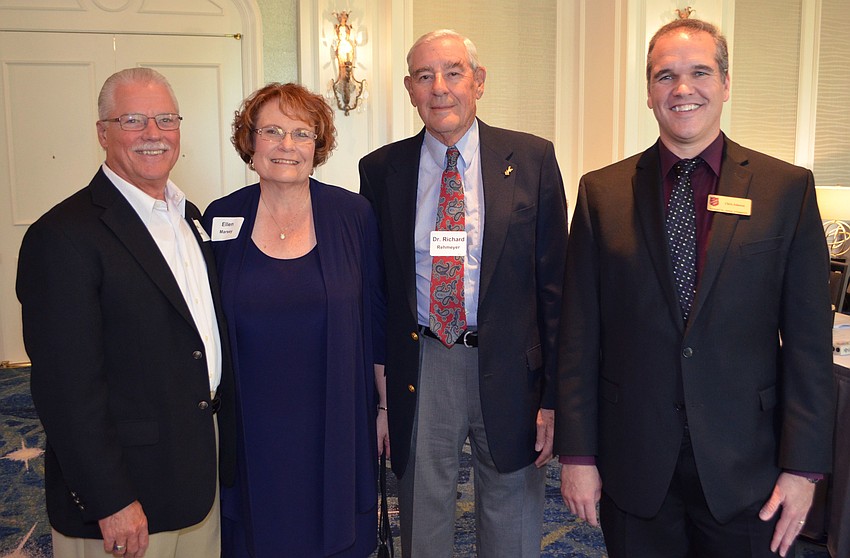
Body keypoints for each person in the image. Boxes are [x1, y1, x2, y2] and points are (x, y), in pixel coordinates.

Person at [556, 18, 834, 558]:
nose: (683, 89)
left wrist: (803, 469)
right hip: (634, 462)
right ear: (649, 92)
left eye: (700, 73)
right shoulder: (601, 194)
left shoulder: (786, 190)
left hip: (748, 471)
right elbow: (578, 339)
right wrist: (578, 455)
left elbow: (808, 345)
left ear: (726, 84)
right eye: (666, 76)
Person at [359, 29, 569, 557]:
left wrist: (553, 397)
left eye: (453, 72)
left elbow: (555, 288)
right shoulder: (381, 170)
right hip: (423, 360)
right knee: (422, 515)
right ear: (409, 88)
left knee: (512, 514)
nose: (439, 87)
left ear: (479, 81)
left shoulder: (533, 159)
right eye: (424, 76)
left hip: (512, 365)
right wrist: (380, 398)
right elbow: (377, 292)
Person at [16, 67, 235, 558]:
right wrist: (110, 499)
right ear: (102, 133)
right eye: (133, 120)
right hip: (124, 498)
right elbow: (65, 389)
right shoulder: (62, 236)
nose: (154, 133)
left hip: (196, 475)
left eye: (166, 119)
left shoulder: (190, 217)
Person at [201, 82, 387, 558]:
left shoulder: (353, 215)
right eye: (272, 131)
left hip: (336, 411)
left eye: (302, 133)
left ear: (317, 146)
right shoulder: (220, 218)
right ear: (250, 141)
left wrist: (385, 409)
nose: (287, 145)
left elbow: (376, 319)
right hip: (250, 417)